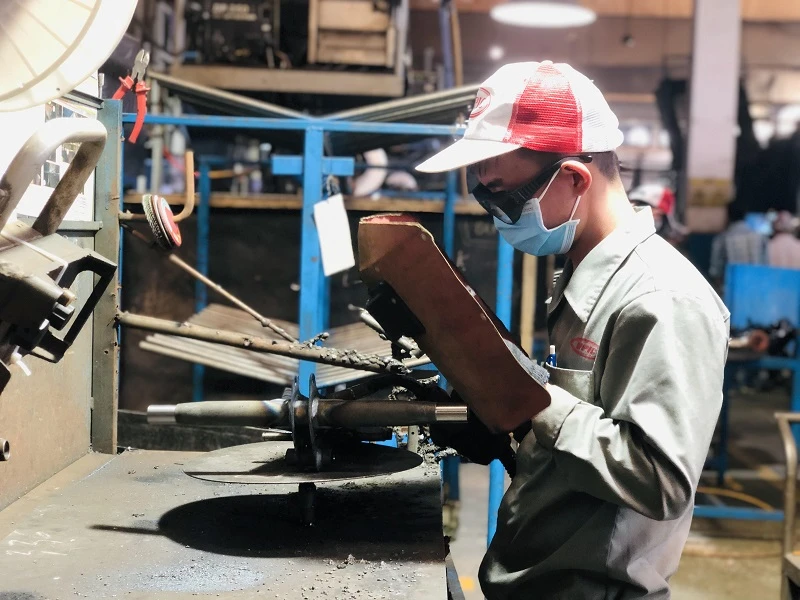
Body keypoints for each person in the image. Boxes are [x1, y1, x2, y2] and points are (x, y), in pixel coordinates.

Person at [416, 61, 730, 599]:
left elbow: (660, 481)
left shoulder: (662, 299)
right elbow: (583, 436)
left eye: (504, 197)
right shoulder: (584, 276)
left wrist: (533, 401)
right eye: (483, 195)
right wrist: (501, 427)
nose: (495, 214)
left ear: (574, 179)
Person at [708, 202, 768, 290]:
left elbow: (715, 271)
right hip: (756, 290)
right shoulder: (760, 238)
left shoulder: (722, 239)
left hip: (731, 291)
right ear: (745, 215)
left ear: (728, 215)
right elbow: (766, 268)